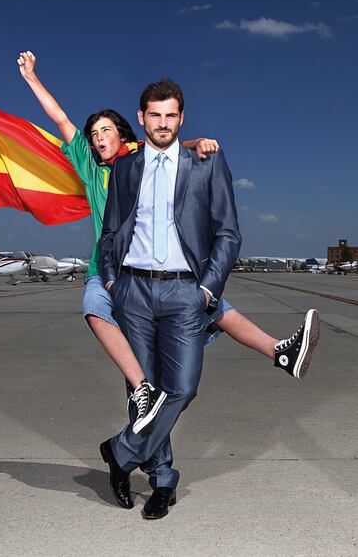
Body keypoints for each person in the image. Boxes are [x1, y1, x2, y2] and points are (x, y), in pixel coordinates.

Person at [18, 53, 320, 440]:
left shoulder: (139, 159)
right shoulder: (91, 165)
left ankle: (280, 351)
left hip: (160, 275)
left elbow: (167, 143)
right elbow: (60, 117)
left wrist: (198, 143)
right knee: (93, 307)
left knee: (212, 304)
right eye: (93, 134)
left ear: (125, 133)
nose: (98, 138)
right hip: (112, 270)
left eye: (106, 130)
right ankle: (141, 389)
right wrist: (32, 78)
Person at [99, 78, 319, 519]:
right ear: (141, 119)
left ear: (182, 118)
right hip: (133, 289)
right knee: (142, 389)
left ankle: (120, 454)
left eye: (171, 115)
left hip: (185, 290)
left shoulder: (205, 163)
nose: (163, 123)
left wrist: (207, 288)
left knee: (182, 387)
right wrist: (110, 281)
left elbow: (228, 232)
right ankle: (163, 480)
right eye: (155, 115)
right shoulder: (126, 168)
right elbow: (112, 229)